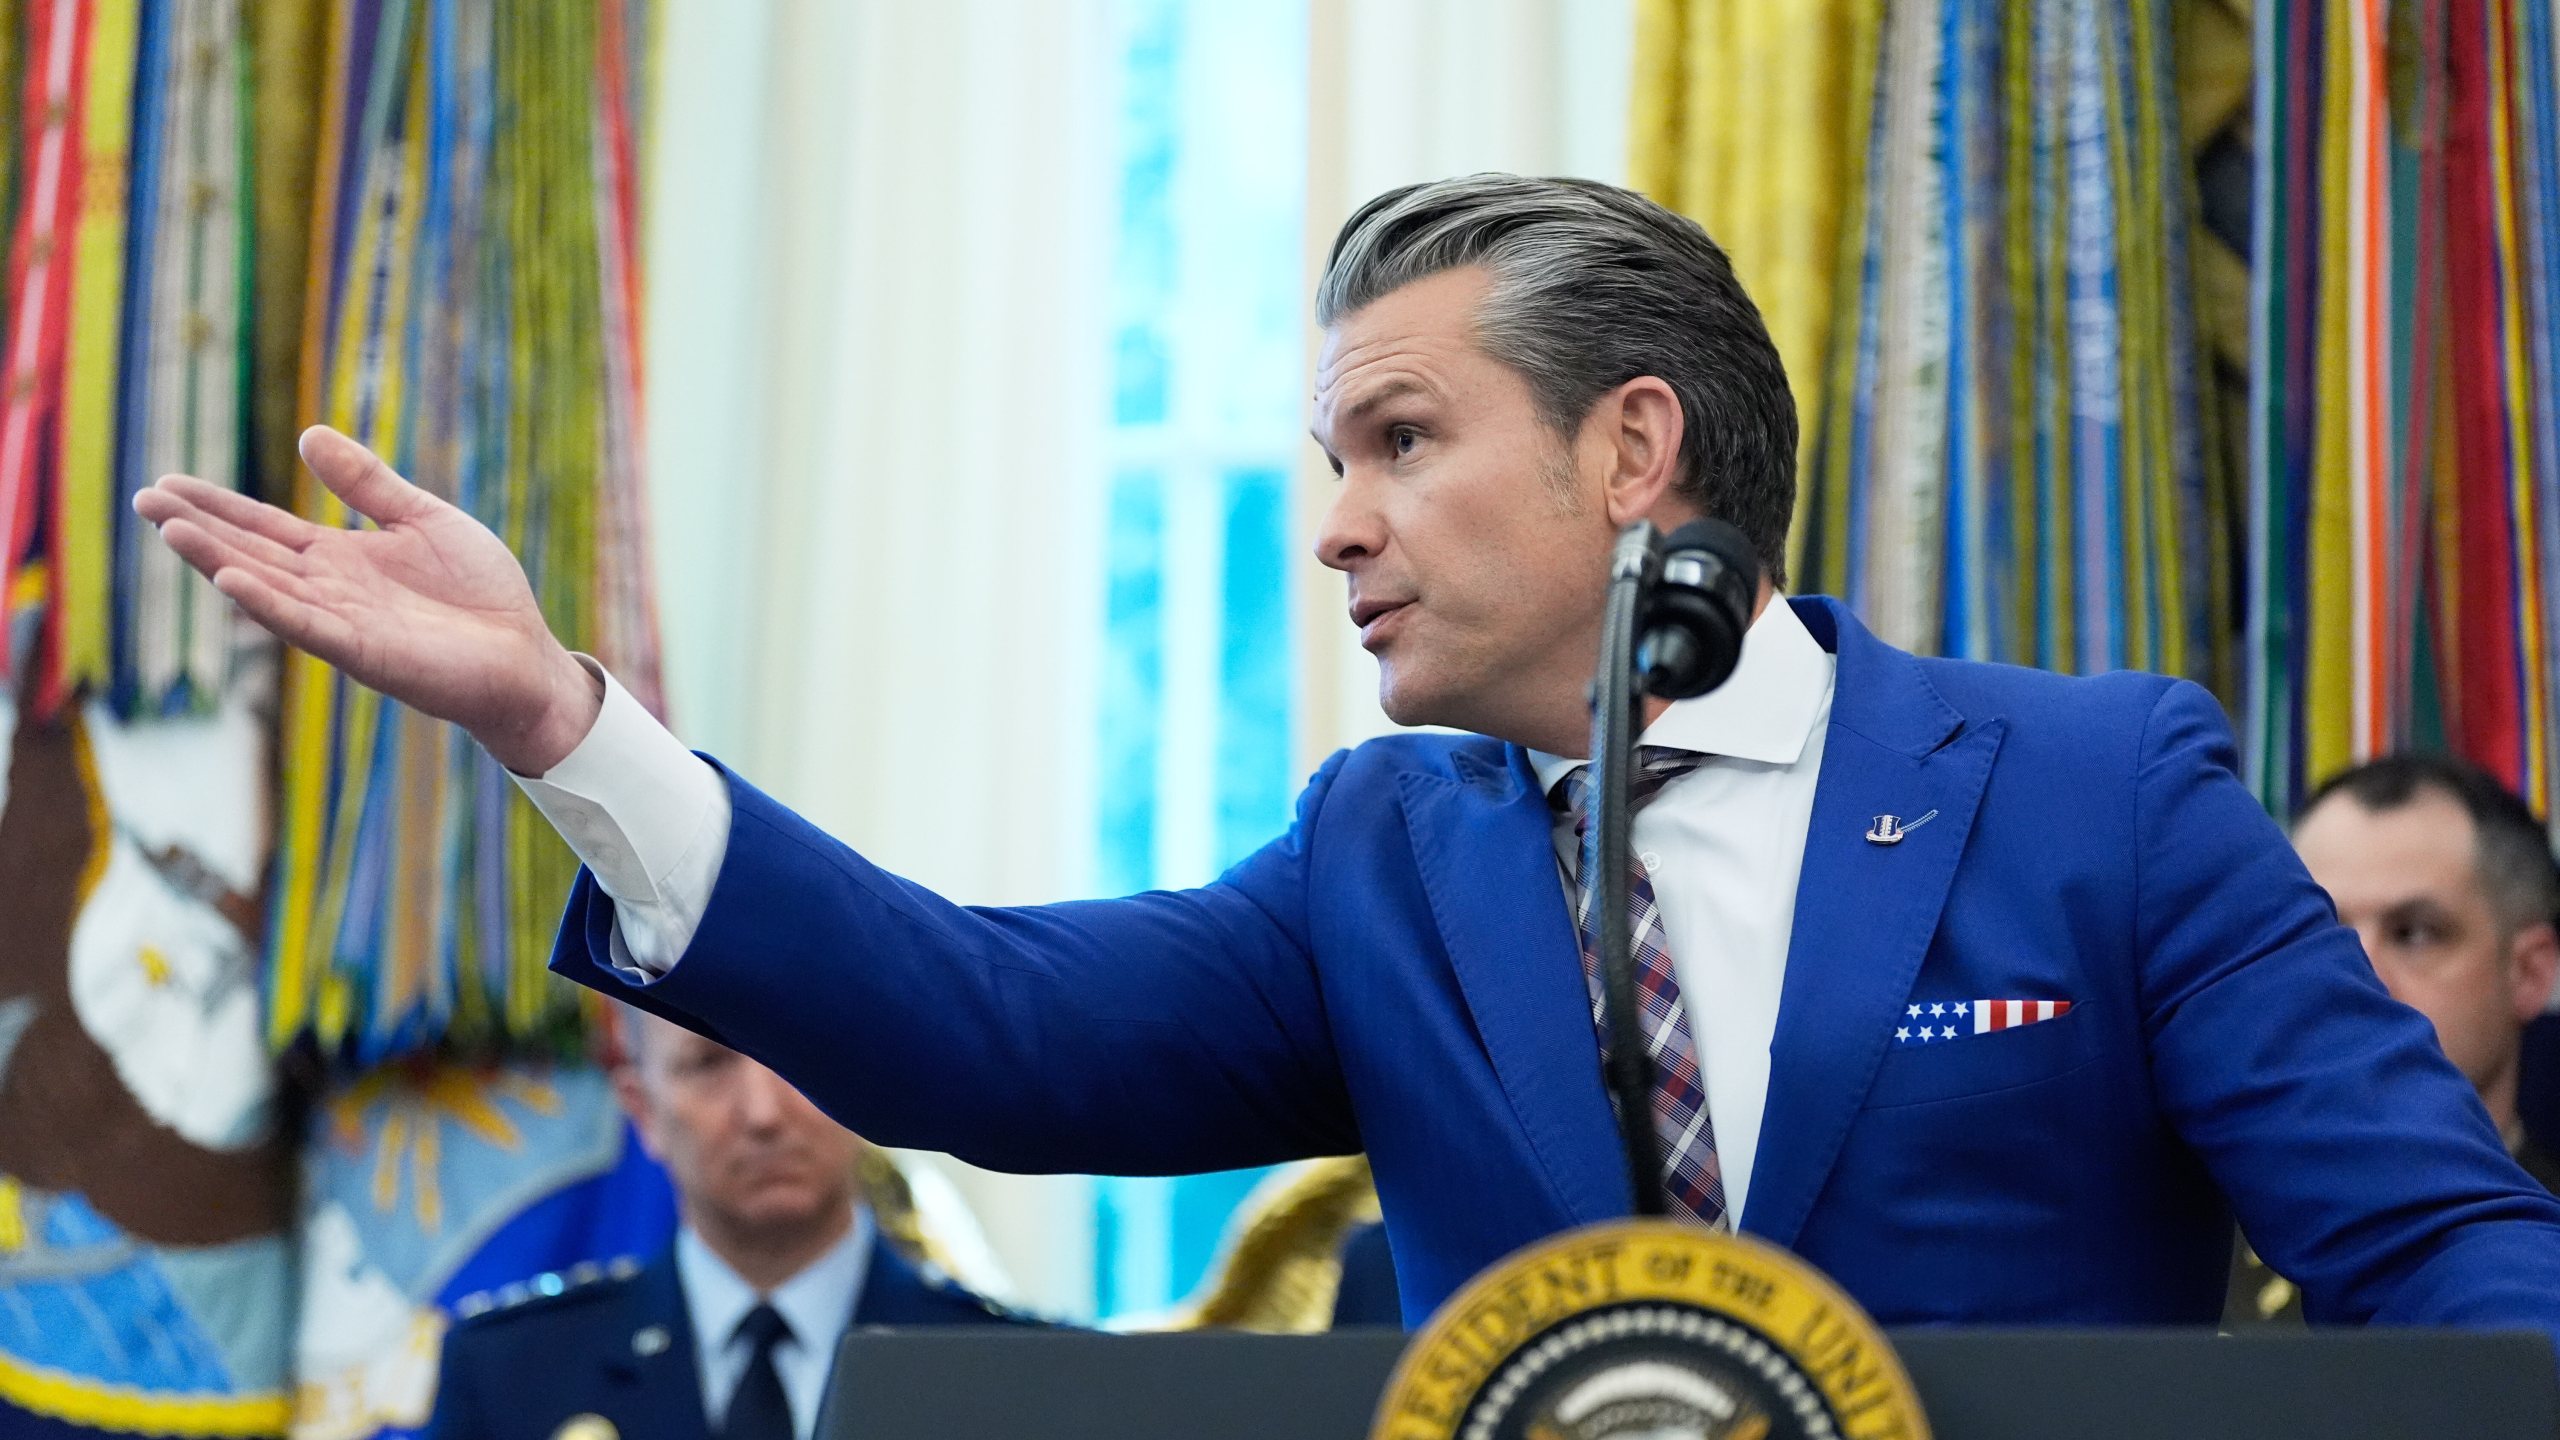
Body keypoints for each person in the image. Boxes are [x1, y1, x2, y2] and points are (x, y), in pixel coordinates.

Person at [136, 174, 2560, 1340]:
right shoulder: (1386, 855)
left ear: (1634, 449)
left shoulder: (2094, 786)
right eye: (1323, 458)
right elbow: (979, 1024)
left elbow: (2439, 1250)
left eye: (1396, 439)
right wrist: (565, 719)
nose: (1329, 527)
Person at [424, 1011, 1027, 1440]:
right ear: (642, 1109)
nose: (763, 1113)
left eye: (797, 1054)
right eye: (708, 1063)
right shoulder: (513, 1377)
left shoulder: (1015, 1378)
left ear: (865, 1076)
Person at [2228, 754, 2560, 1326]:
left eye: (2414, 933)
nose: (2356, 975)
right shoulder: (2173, 1258)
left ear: (2529, 973)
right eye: (2319, 933)